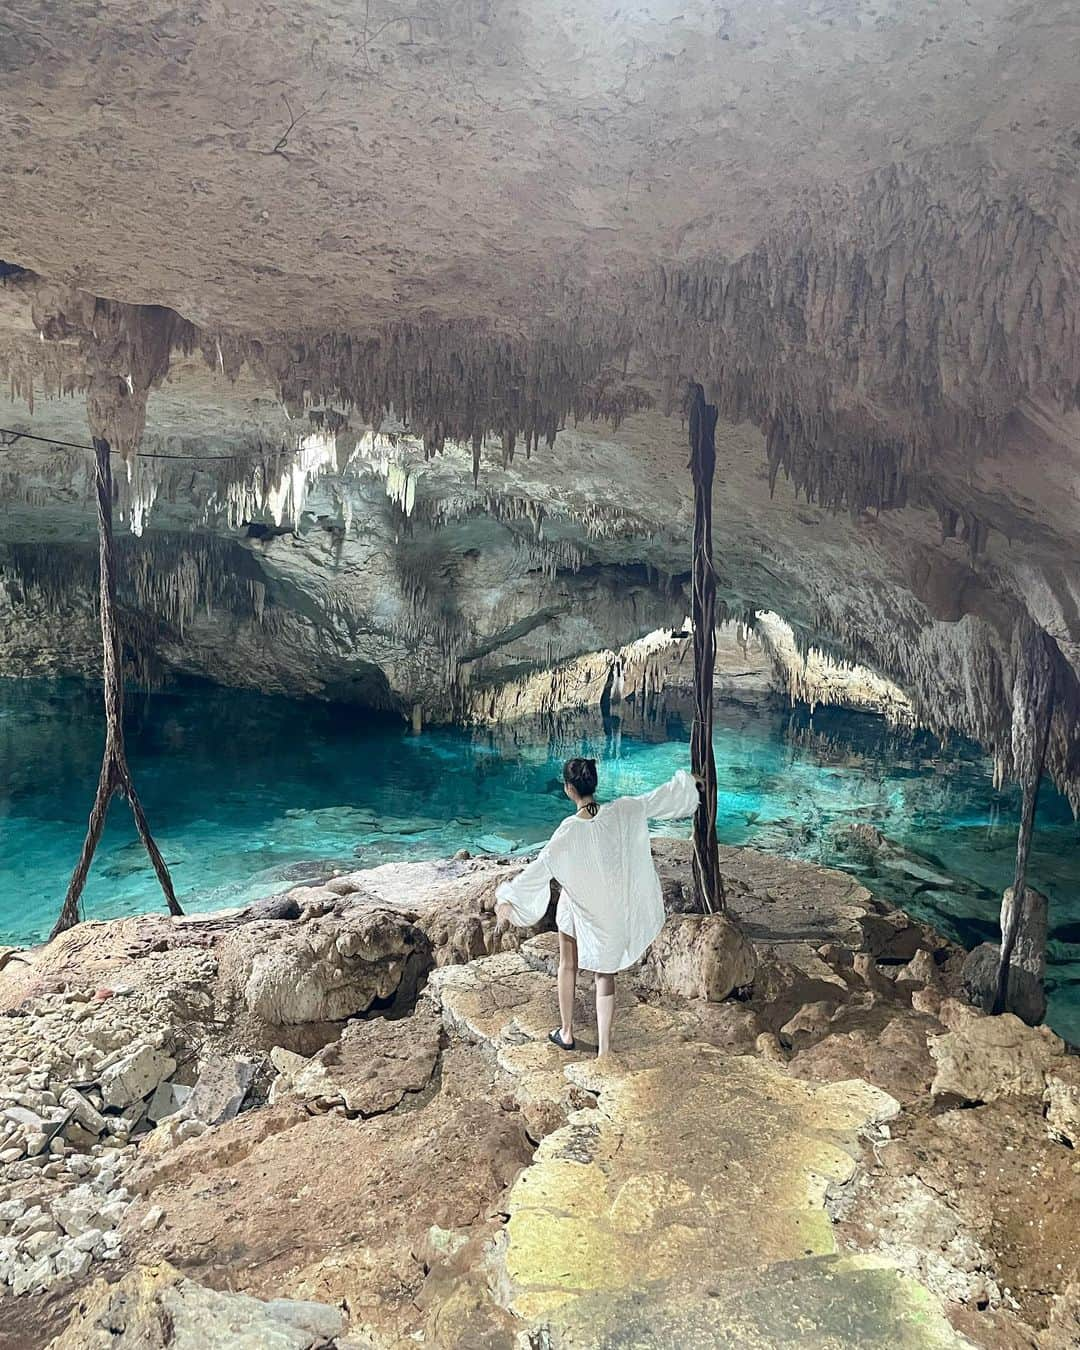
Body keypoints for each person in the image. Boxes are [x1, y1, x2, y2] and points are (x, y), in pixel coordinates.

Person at [494, 756, 702, 1057]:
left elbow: (538, 871)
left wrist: (507, 901)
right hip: (607, 909)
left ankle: (566, 1033)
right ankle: (604, 1050)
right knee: (605, 972)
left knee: (568, 965)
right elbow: (657, 799)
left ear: (569, 789)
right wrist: (690, 785)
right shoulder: (623, 810)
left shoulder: (566, 833)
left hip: (576, 906)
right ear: (593, 784)